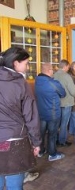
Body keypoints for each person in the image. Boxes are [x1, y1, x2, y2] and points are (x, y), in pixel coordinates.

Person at [0, 47, 41, 189]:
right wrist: (36, 142)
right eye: (26, 63)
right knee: (14, 185)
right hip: (14, 142)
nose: (28, 66)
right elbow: (31, 116)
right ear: (15, 63)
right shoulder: (21, 84)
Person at [35, 63, 66, 161]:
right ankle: (52, 154)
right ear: (49, 71)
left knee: (41, 133)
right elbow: (63, 93)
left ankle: (41, 151)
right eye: (52, 70)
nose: (53, 71)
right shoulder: (53, 83)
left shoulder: (37, 80)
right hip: (53, 113)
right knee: (52, 135)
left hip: (41, 112)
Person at [54, 59, 75, 147]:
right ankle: (62, 141)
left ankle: (55, 139)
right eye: (68, 66)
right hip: (67, 102)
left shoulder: (54, 75)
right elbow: (73, 91)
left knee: (57, 122)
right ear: (65, 66)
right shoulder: (67, 76)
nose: (68, 68)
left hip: (57, 102)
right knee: (64, 123)